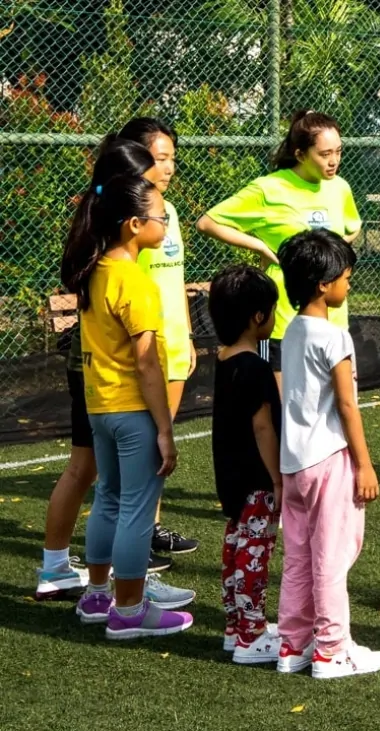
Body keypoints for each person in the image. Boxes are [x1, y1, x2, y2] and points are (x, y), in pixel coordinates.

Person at [37, 140, 193, 604]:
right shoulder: (135, 282)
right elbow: (146, 362)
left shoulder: (97, 269)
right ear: (133, 223)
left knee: (107, 498)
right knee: (136, 511)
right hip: (131, 409)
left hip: (100, 406)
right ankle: (128, 608)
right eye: (160, 217)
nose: (165, 224)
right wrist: (164, 427)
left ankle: (98, 596)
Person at [274, 229, 380, 679]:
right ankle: (330, 650)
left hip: (294, 464)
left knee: (300, 557)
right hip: (328, 462)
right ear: (323, 285)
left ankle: (292, 646)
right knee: (332, 558)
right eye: (345, 277)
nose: (349, 284)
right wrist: (364, 464)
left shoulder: (292, 329)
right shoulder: (335, 337)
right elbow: (346, 406)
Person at [197, 110, 361, 383]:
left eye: (338, 152)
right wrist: (260, 246)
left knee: (335, 409)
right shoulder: (268, 189)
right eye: (324, 154)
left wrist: (337, 249)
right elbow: (208, 222)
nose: (334, 162)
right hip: (285, 324)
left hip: (335, 323)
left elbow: (353, 225)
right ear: (300, 154)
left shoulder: (340, 188)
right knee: (282, 414)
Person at [106, 117, 201, 558]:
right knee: (138, 454)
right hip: (143, 351)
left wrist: (188, 335)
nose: (168, 168)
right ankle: (130, 543)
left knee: (160, 454)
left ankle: (151, 528)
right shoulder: (126, 220)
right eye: (159, 159)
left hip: (175, 347)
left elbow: (174, 278)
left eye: (172, 159)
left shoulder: (169, 213)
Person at [208, 264, 284, 664]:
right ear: (258, 316)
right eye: (271, 310)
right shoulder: (255, 367)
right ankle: (252, 636)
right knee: (255, 551)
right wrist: (277, 478)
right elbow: (262, 427)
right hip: (255, 475)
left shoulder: (223, 359)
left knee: (236, 544)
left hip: (230, 473)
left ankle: (235, 626)